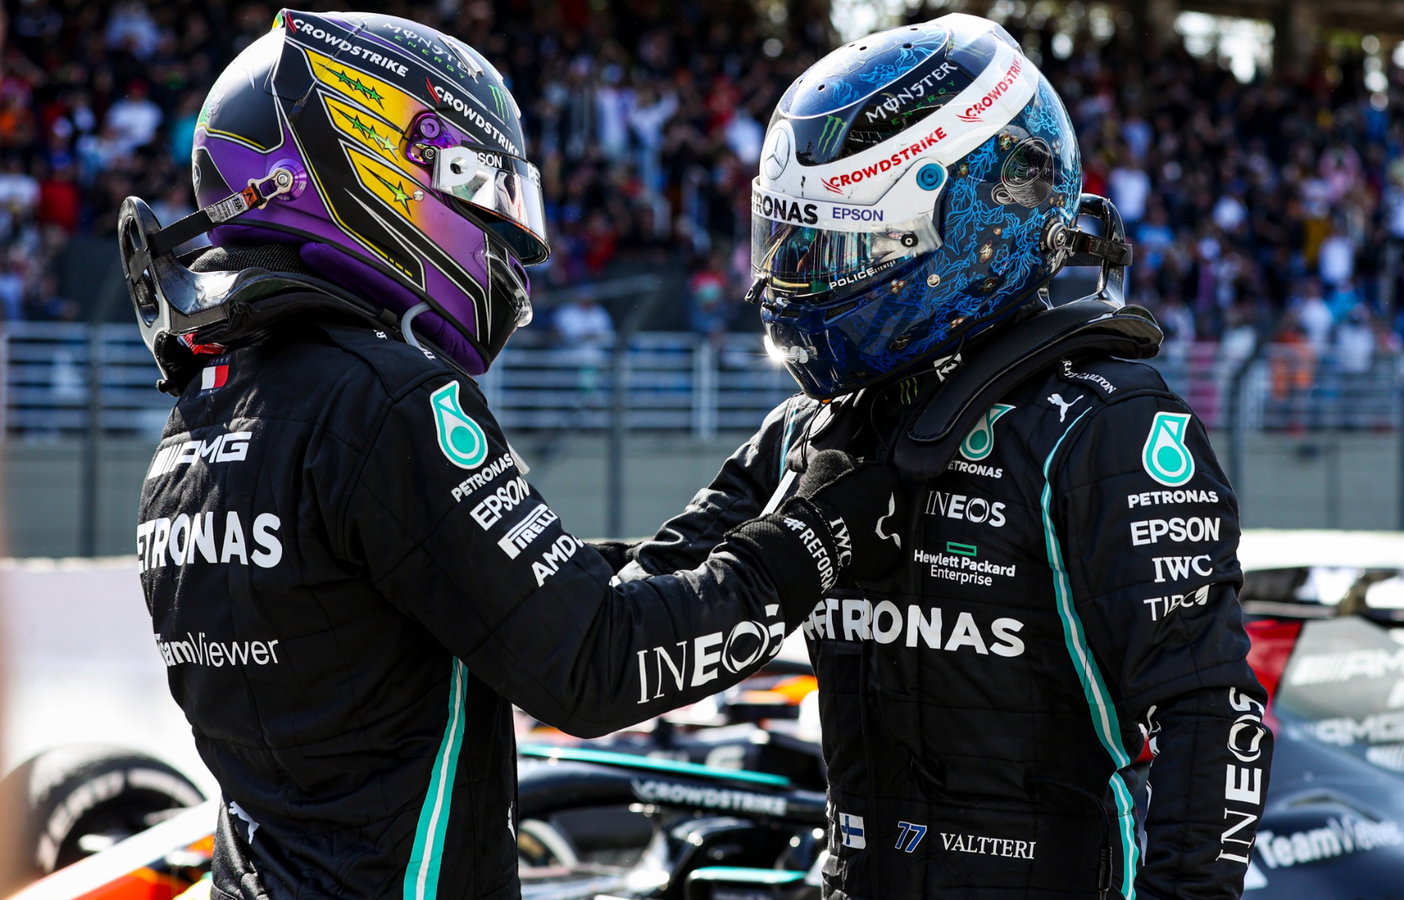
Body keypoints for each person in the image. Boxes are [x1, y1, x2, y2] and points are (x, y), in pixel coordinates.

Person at [122, 11, 905, 899]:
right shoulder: (386, 397)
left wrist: (760, 478)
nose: (501, 241)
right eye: (478, 190)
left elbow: (519, 608)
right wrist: (820, 532)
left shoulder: (205, 410)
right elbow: (592, 667)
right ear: (378, 162)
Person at [602, 14, 1272, 899]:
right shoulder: (814, 427)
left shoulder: (1105, 427)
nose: (799, 279)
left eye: (843, 243)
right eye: (795, 244)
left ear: (968, 225)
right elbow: (635, 615)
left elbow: (1210, 715)